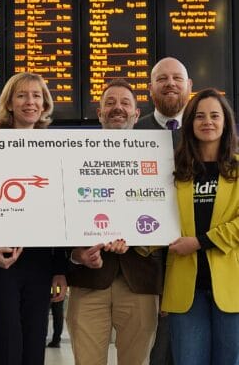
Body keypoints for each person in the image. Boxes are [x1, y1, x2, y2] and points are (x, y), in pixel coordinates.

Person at [66, 79, 162, 365]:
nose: (117, 108)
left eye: (124, 103)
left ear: (136, 113)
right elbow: (60, 214)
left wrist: (139, 239)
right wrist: (75, 254)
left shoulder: (158, 157)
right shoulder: (73, 157)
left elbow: (170, 218)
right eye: (110, 103)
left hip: (141, 282)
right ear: (99, 113)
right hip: (87, 281)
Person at [0, 72, 68, 365]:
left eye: (36, 96)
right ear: (9, 104)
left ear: (45, 104)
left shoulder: (57, 151)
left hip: (40, 264)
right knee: (5, 346)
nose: (30, 102)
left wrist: (60, 269)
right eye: (22, 95)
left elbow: (62, 213)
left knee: (33, 349)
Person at [163, 88, 239, 365]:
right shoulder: (174, 172)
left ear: (226, 123)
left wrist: (200, 241)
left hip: (232, 287)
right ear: (190, 124)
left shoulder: (238, 169)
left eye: (215, 116)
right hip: (186, 289)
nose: (208, 121)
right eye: (200, 116)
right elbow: (157, 220)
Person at [135, 57, 193, 365]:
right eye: (162, 79)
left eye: (177, 78)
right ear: (150, 89)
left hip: (196, 249)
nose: (170, 83)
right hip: (146, 255)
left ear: (188, 86)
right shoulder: (134, 133)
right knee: (156, 340)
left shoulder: (205, 128)